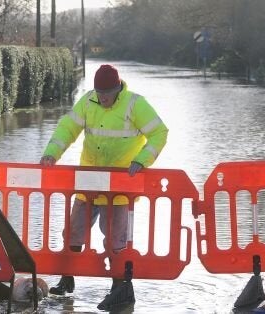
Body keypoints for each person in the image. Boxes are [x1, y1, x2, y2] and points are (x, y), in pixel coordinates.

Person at [40, 64, 168, 310]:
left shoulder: (135, 104)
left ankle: (117, 287)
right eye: (99, 93)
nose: (103, 98)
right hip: (89, 181)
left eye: (106, 93)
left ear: (118, 89)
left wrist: (141, 161)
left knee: (115, 240)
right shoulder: (89, 102)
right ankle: (67, 280)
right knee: (73, 232)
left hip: (120, 188)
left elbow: (159, 133)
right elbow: (67, 128)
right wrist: (51, 154)